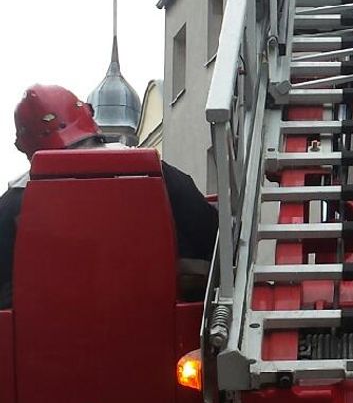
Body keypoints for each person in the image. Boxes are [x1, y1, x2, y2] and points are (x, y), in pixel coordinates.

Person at [0, 87, 218, 309]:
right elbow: (212, 236)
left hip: (45, 328)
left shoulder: (11, 206)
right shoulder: (158, 173)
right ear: (88, 119)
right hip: (164, 323)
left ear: (25, 146)